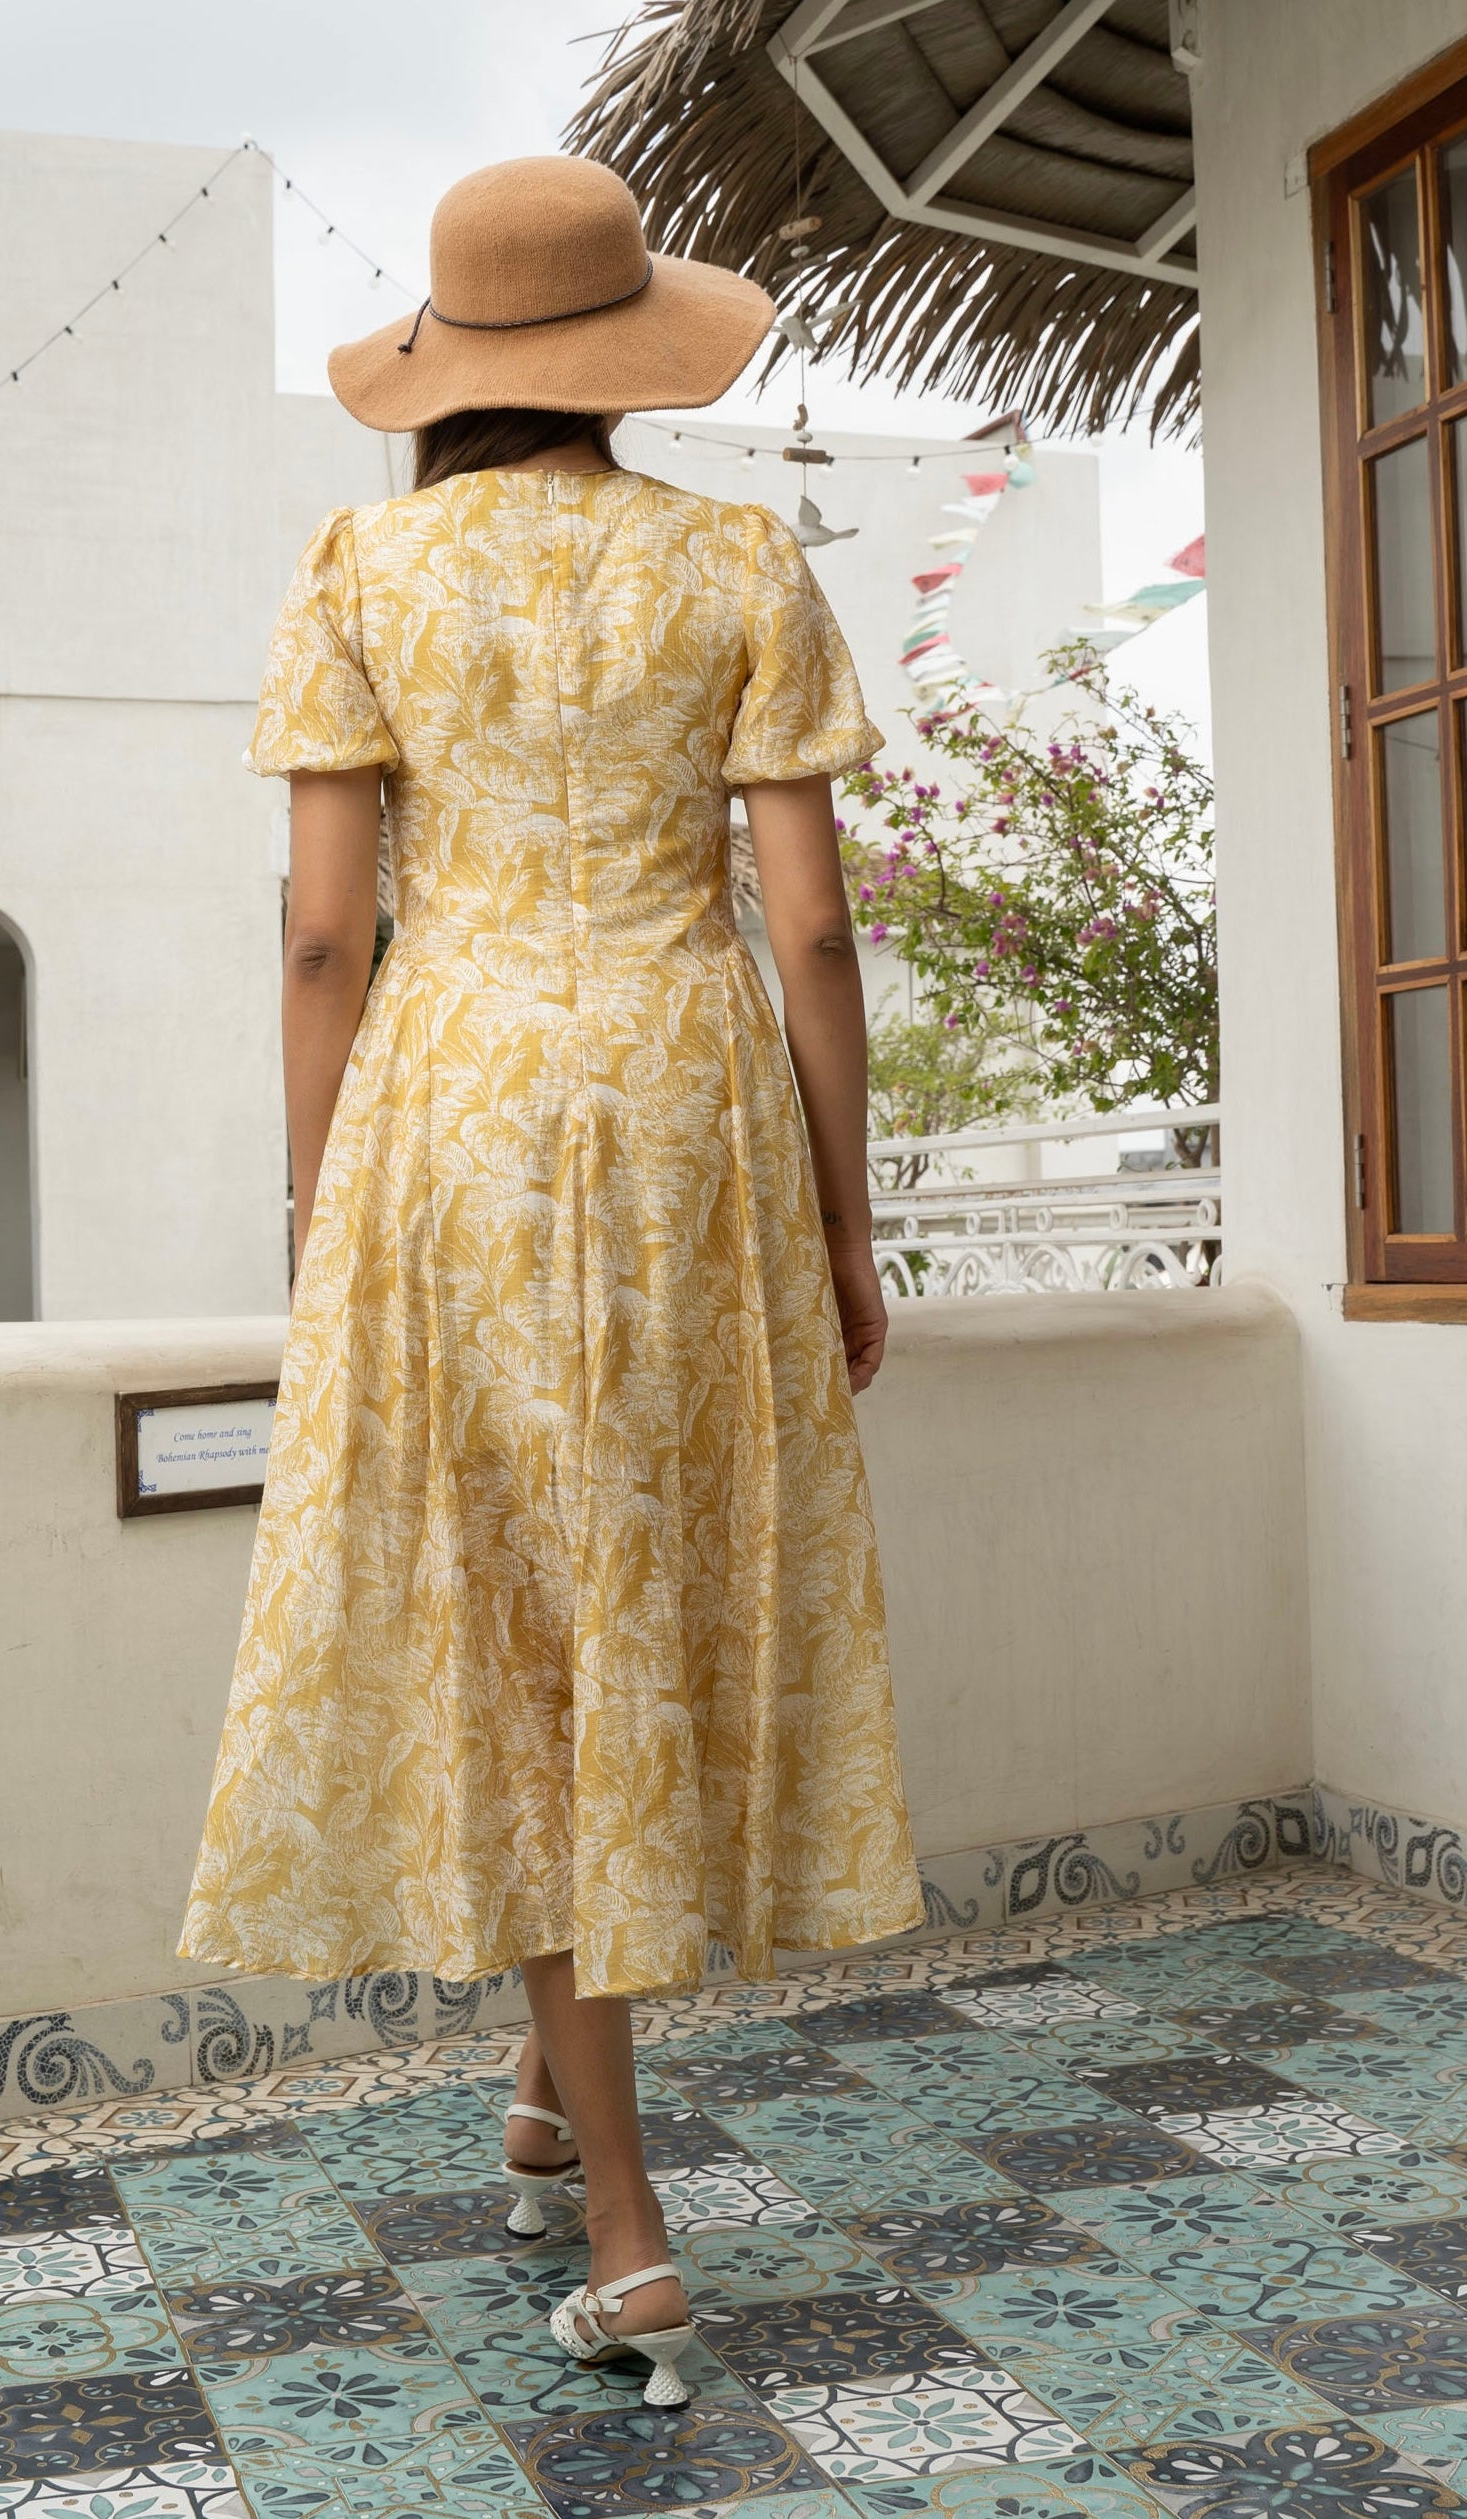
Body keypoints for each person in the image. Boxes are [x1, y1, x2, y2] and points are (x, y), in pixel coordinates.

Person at [179, 152, 923, 2407]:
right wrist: (840, 1207)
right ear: (628, 356)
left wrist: (329, 1221)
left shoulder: (363, 564)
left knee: (511, 1622)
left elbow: (325, 932)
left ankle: (626, 2231)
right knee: (611, 1606)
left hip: (455, 1121)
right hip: (690, 1108)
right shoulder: (736, 558)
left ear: (452, 366)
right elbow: (807, 927)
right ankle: (554, 2111)